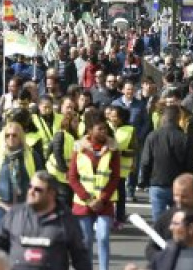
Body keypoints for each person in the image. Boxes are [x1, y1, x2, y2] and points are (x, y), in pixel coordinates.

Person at [0, 171, 91, 270]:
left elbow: (80, 258)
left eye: (37, 190)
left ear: (51, 193)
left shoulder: (66, 220)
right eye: (30, 187)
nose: (31, 192)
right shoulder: (15, 214)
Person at [68, 110, 120, 270]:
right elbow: (72, 177)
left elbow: (115, 177)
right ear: (90, 130)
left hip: (105, 201)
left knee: (103, 236)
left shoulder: (113, 149)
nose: (103, 132)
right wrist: (88, 199)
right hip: (83, 203)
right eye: (100, 129)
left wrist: (102, 199)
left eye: (105, 128)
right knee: (86, 241)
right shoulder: (78, 148)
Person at [145, 173, 193, 261]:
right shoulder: (165, 218)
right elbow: (151, 249)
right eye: (176, 195)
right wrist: (163, 258)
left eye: (184, 197)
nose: (179, 200)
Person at [140, 105, 193, 222]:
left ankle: (160, 239)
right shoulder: (185, 138)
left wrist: (144, 181)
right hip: (179, 185)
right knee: (179, 219)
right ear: (178, 119)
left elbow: (146, 161)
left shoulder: (152, 136)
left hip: (157, 183)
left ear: (163, 118)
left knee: (159, 221)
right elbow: (192, 165)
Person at [108, 105, 138, 227]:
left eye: (115, 116)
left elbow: (135, 149)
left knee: (120, 193)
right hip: (105, 167)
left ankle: (120, 217)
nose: (112, 118)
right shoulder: (105, 126)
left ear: (121, 118)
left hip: (121, 167)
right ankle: (107, 216)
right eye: (111, 115)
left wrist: (122, 152)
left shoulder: (130, 130)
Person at [46, 113, 78, 207]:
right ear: (68, 122)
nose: (77, 124)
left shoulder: (73, 136)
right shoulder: (60, 134)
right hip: (57, 172)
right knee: (63, 197)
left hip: (66, 173)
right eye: (75, 122)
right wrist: (64, 170)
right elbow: (56, 152)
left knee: (67, 198)